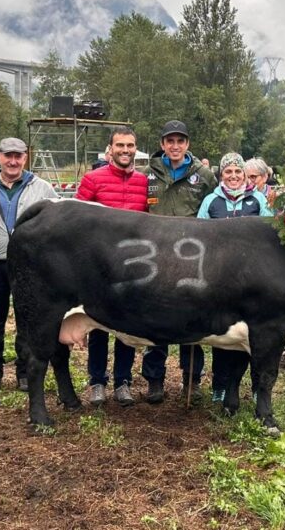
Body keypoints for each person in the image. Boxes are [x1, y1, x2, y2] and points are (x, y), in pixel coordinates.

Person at [142, 120, 218, 404]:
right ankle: (154, 380)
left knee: (192, 320)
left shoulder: (204, 175)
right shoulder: (147, 174)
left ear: (187, 144)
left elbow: (215, 206)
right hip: (155, 256)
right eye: (169, 141)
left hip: (191, 257)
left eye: (180, 141)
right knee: (155, 319)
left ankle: (192, 380)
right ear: (162, 144)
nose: (175, 146)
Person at [0, 137, 56, 400]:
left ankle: (24, 371)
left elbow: (55, 224)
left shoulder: (42, 188)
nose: (13, 161)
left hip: (30, 265)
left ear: (26, 158)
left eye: (18, 156)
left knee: (28, 318)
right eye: (8, 156)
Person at [75, 127, 148, 408]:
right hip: (100, 265)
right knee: (99, 325)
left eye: (130, 145)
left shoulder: (144, 182)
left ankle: (122, 381)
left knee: (127, 325)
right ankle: (96, 381)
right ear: (110, 149)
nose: (125, 150)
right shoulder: (93, 179)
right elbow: (77, 219)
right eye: (120, 145)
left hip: (134, 265)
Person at [197, 152, 273, 403]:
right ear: (221, 174)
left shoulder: (258, 200)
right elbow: (199, 234)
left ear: (244, 175)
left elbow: (270, 233)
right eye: (228, 171)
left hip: (252, 280)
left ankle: (253, 387)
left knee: (252, 337)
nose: (233, 176)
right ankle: (220, 386)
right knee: (222, 335)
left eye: (237, 172)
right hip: (219, 278)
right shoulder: (211, 201)